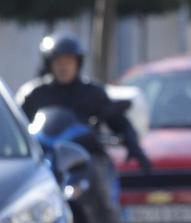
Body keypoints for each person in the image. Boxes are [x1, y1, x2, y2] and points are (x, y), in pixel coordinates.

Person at [17, 33, 152, 174]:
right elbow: (18, 126)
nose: (63, 67)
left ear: (78, 63)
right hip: (46, 162)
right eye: (58, 62)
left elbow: (119, 122)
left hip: (88, 161)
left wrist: (134, 146)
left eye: (68, 61)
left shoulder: (92, 92)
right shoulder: (35, 93)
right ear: (49, 64)